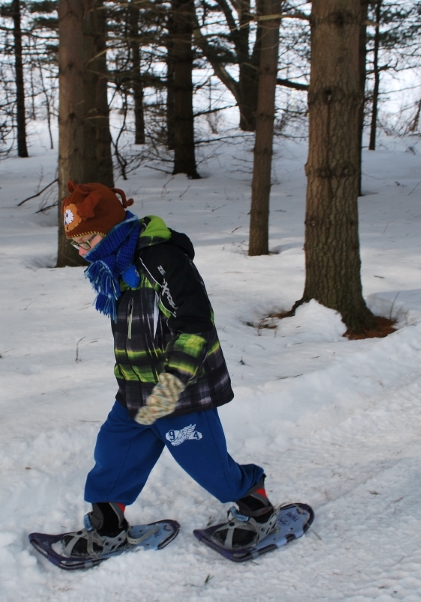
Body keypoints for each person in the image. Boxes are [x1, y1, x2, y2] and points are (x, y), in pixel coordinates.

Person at [58, 180, 277, 559]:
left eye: (85, 242)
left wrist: (171, 384)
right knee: (112, 456)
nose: (80, 252)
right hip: (133, 391)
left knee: (209, 467)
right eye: (75, 244)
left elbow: (195, 324)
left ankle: (256, 508)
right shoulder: (114, 265)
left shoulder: (162, 261)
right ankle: (108, 525)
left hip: (179, 392)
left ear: (109, 230)